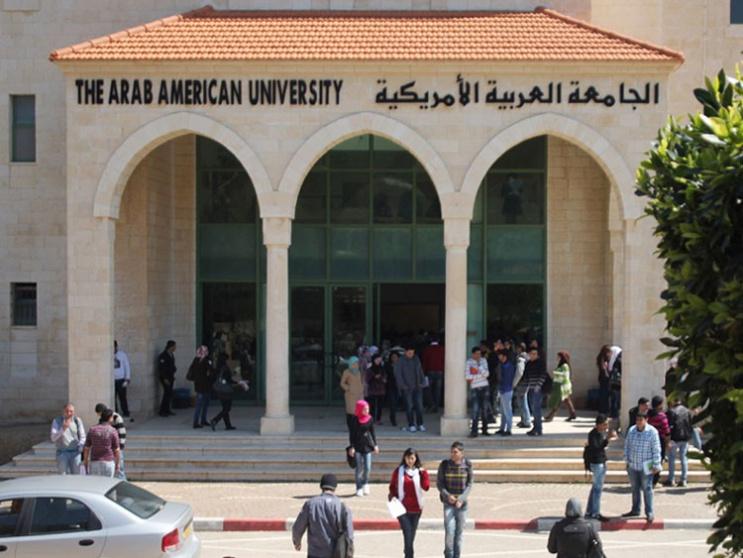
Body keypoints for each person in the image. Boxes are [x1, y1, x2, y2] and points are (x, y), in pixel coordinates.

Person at [292, 473, 354, 558]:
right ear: (335, 487)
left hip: (315, 554)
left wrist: (297, 541)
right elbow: (349, 533)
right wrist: (349, 552)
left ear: (321, 486)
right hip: (335, 553)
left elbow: (298, 526)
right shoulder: (342, 506)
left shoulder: (310, 504)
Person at [388, 448, 430, 558]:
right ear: (404, 458)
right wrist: (393, 496)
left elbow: (426, 487)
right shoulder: (399, 471)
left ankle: (407, 551)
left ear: (416, 459)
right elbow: (392, 486)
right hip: (402, 509)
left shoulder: (420, 472)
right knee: (407, 533)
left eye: (412, 458)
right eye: (408, 458)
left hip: (416, 509)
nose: (410, 461)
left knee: (411, 536)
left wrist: (424, 473)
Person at [623, 412, 661, 522]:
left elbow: (656, 449)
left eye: (641, 420)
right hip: (633, 464)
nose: (639, 422)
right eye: (637, 420)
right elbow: (627, 445)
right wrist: (626, 459)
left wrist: (656, 464)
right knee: (634, 488)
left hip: (646, 466)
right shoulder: (631, 430)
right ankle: (635, 509)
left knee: (647, 488)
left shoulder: (652, 432)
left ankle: (649, 512)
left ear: (646, 420)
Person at [437, 441, 473, 558]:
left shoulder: (467, 465)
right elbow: (440, 484)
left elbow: (469, 485)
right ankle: (448, 555)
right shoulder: (444, 465)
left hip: (462, 506)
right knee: (449, 532)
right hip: (448, 504)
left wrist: (461, 499)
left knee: (459, 534)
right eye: (451, 452)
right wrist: (448, 495)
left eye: (455, 452)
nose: (452, 454)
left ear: (462, 453)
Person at [585, 414, 617, 521]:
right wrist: (607, 439)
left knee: (595, 488)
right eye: (605, 424)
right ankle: (595, 513)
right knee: (597, 489)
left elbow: (601, 447)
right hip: (596, 463)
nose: (606, 426)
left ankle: (590, 511)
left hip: (601, 462)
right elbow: (597, 448)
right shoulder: (593, 434)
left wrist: (607, 439)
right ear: (599, 424)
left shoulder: (599, 434)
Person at [348, 400, 379, 497]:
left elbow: (372, 432)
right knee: (359, 468)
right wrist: (352, 447)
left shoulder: (370, 418)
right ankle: (359, 487)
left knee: (368, 467)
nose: (367, 410)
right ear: (360, 409)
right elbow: (352, 435)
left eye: (368, 408)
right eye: (365, 409)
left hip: (367, 446)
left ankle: (365, 483)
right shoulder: (354, 419)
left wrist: (375, 445)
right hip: (357, 446)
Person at [395, 345, 426, 433]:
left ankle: (420, 424)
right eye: (409, 353)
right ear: (405, 352)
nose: (411, 354)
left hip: (417, 386)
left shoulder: (416, 359)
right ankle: (411, 424)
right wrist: (403, 386)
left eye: (412, 352)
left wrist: (423, 381)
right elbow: (398, 374)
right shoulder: (401, 361)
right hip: (407, 388)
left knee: (419, 406)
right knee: (409, 407)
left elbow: (420, 371)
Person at [83, 408, 121, 477]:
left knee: (95, 483)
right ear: (110, 418)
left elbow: (86, 448)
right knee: (108, 483)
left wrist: (85, 462)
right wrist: (117, 464)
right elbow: (117, 450)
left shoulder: (92, 429)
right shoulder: (112, 430)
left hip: (94, 462)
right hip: (108, 461)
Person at [50, 403, 85, 475]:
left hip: (75, 453)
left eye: (71, 411)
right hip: (62, 453)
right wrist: (63, 429)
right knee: (62, 475)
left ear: (74, 412)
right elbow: (53, 438)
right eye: (67, 411)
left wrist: (80, 445)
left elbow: (83, 436)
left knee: (76, 475)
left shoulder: (77, 420)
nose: (69, 413)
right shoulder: (57, 421)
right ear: (63, 411)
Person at [94, 403, 127, 480]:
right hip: (108, 449)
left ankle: (122, 483)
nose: (99, 416)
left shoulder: (116, 417)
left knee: (120, 468)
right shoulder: (102, 419)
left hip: (117, 447)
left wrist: (120, 447)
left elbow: (122, 432)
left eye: (99, 413)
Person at [665, 398, 693, 487]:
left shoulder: (671, 412)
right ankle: (683, 479)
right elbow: (690, 424)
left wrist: (668, 439)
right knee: (683, 458)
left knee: (672, 459)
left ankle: (671, 479)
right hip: (685, 437)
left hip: (674, 438)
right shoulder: (687, 411)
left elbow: (669, 426)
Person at [465, 346, 490, 438]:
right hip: (475, 388)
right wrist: (480, 375)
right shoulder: (468, 362)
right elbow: (467, 377)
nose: (478, 356)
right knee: (475, 410)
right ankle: (474, 431)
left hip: (485, 387)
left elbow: (487, 374)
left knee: (485, 409)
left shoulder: (483, 361)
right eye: (476, 354)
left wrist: (478, 367)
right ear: (473, 354)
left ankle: (485, 430)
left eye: (480, 354)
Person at [210, 353, 239, 431]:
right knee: (227, 408)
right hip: (226, 391)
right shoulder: (225, 368)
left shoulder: (217, 367)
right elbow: (229, 380)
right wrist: (238, 382)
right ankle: (215, 420)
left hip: (219, 390)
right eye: (227, 359)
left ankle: (228, 425)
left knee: (225, 408)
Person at [545, 351, 577, 422]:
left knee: (558, 401)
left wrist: (555, 372)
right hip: (562, 385)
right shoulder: (562, 365)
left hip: (563, 386)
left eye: (558, 357)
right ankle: (572, 414)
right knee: (567, 400)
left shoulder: (564, 366)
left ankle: (551, 416)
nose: (557, 358)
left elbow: (563, 375)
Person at [524, 347, 548, 436]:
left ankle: (539, 429)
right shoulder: (528, 364)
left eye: (535, 354)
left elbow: (543, 375)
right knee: (533, 409)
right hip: (530, 388)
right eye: (531, 354)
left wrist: (538, 386)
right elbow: (526, 377)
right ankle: (535, 428)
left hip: (538, 389)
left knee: (536, 409)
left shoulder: (541, 363)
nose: (533, 355)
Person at [647, 395, 671, 487]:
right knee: (658, 460)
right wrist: (667, 442)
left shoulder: (648, 414)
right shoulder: (661, 416)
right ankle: (654, 480)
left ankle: (649, 478)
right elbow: (666, 430)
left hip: (649, 439)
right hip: (659, 440)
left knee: (649, 460)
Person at [189, 345, 214, 429]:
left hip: (199, 385)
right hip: (205, 385)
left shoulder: (196, 360)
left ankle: (201, 420)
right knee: (202, 405)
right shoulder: (206, 360)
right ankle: (197, 422)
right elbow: (210, 370)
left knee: (201, 404)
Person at [340, 356, 365, 440]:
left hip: (359, 394)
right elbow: (342, 383)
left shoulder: (359, 371)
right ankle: (351, 427)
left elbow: (361, 381)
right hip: (350, 395)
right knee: (351, 412)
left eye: (357, 362)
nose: (356, 364)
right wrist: (348, 388)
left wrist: (362, 389)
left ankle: (358, 427)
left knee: (359, 411)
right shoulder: (347, 372)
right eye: (355, 363)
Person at [421, 338, 445, 413]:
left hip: (430, 371)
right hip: (440, 371)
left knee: (427, 389)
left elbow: (424, 362)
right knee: (438, 390)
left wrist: (423, 372)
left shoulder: (427, 349)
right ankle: (436, 407)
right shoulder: (442, 349)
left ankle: (431, 404)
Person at [496, 349, 516, 436]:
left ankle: (508, 429)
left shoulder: (509, 366)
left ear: (505, 356)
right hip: (503, 389)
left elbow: (507, 379)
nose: (499, 357)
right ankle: (502, 428)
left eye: (500, 356)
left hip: (506, 390)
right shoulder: (503, 365)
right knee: (503, 411)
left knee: (507, 410)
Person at [113, 340, 133, 422]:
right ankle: (115, 414)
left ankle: (126, 412)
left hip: (121, 380)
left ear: (116, 346)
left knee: (122, 397)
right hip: (112, 381)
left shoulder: (122, 355)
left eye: (114, 347)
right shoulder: (108, 354)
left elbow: (126, 366)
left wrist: (127, 378)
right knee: (113, 398)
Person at [157, 340, 177, 417]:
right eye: (174, 346)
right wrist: (165, 378)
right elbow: (161, 368)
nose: (175, 348)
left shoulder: (171, 354)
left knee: (169, 393)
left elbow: (172, 364)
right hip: (165, 378)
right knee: (166, 393)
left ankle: (167, 410)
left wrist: (174, 369)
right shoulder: (163, 356)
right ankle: (162, 411)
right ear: (170, 347)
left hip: (170, 377)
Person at [366, 353, 387, 424]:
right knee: (372, 405)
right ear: (373, 360)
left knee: (380, 406)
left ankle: (378, 419)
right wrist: (373, 377)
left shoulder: (382, 369)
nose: (378, 361)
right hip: (372, 390)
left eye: (379, 359)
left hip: (381, 390)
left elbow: (385, 377)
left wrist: (384, 379)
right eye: (377, 359)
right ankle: (371, 419)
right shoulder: (369, 369)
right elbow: (367, 380)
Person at [514, 343, 531, 428]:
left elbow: (520, 372)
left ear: (520, 348)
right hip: (527, 381)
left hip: (522, 382)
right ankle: (524, 419)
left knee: (522, 402)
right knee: (523, 401)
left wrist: (514, 383)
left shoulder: (521, 357)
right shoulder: (528, 356)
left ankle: (526, 421)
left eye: (517, 348)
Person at [595, 345, 612, 415]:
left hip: (604, 378)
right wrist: (607, 374)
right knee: (604, 394)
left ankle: (604, 409)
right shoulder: (602, 358)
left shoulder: (605, 358)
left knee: (605, 394)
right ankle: (603, 410)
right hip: (603, 378)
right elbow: (603, 368)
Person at [607, 346, 622, 420]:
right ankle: (614, 414)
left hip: (616, 383)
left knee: (615, 399)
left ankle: (614, 414)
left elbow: (612, 370)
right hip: (617, 383)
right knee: (615, 399)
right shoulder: (618, 359)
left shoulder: (617, 360)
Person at [386, 351, 400, 427]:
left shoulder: (401, 365)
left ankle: (392, 416)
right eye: (393, 357)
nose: (394, 358)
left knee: (396, 402)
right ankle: (393, 418)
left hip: (399, 386)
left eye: (396, 357)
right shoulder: (387, 365)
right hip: (390, 386)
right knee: (392, 403)